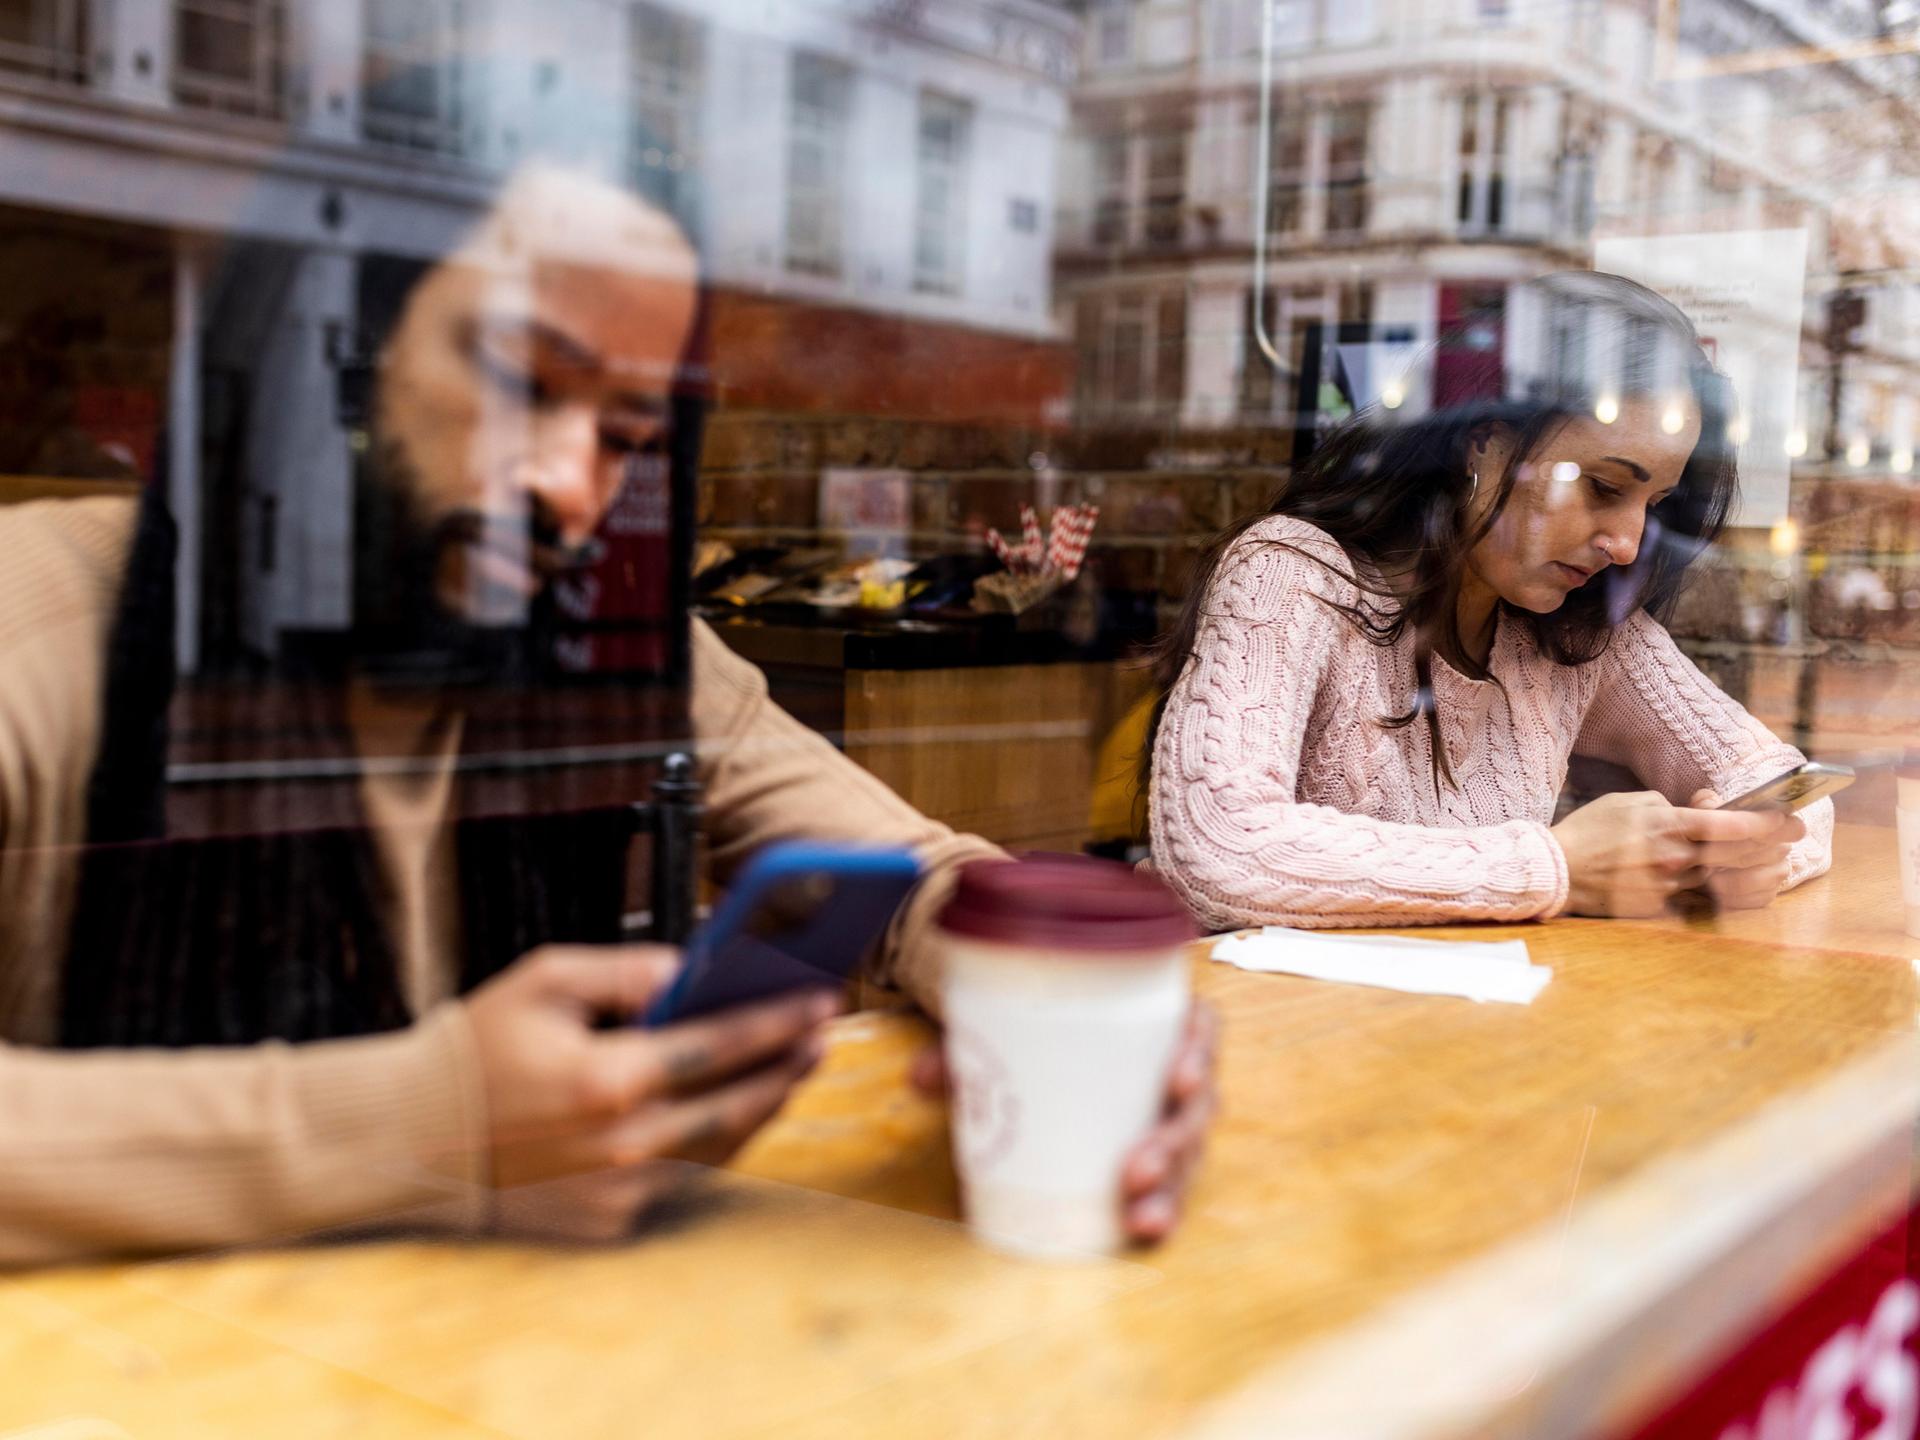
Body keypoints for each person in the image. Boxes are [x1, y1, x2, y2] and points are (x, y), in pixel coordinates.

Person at [0, 162, 1215, 1265]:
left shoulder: (612, 652)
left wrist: (1058, 1005)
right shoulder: (38, 621)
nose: (571, 489)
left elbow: (910, 875)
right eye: (521, 381)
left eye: (626, 436)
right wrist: (433, 1127)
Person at [1146, 271, 1832, 931]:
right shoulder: (1290, 573)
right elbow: (1219, 844)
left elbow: (1790, 789)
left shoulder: (1580, 636)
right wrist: (1557, 866)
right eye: (1602, 486)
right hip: (1277, 1030)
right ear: (1484, 441)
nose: (1627, 544)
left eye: (1653, 504)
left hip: (1477, 1038)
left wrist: (1724, 859)